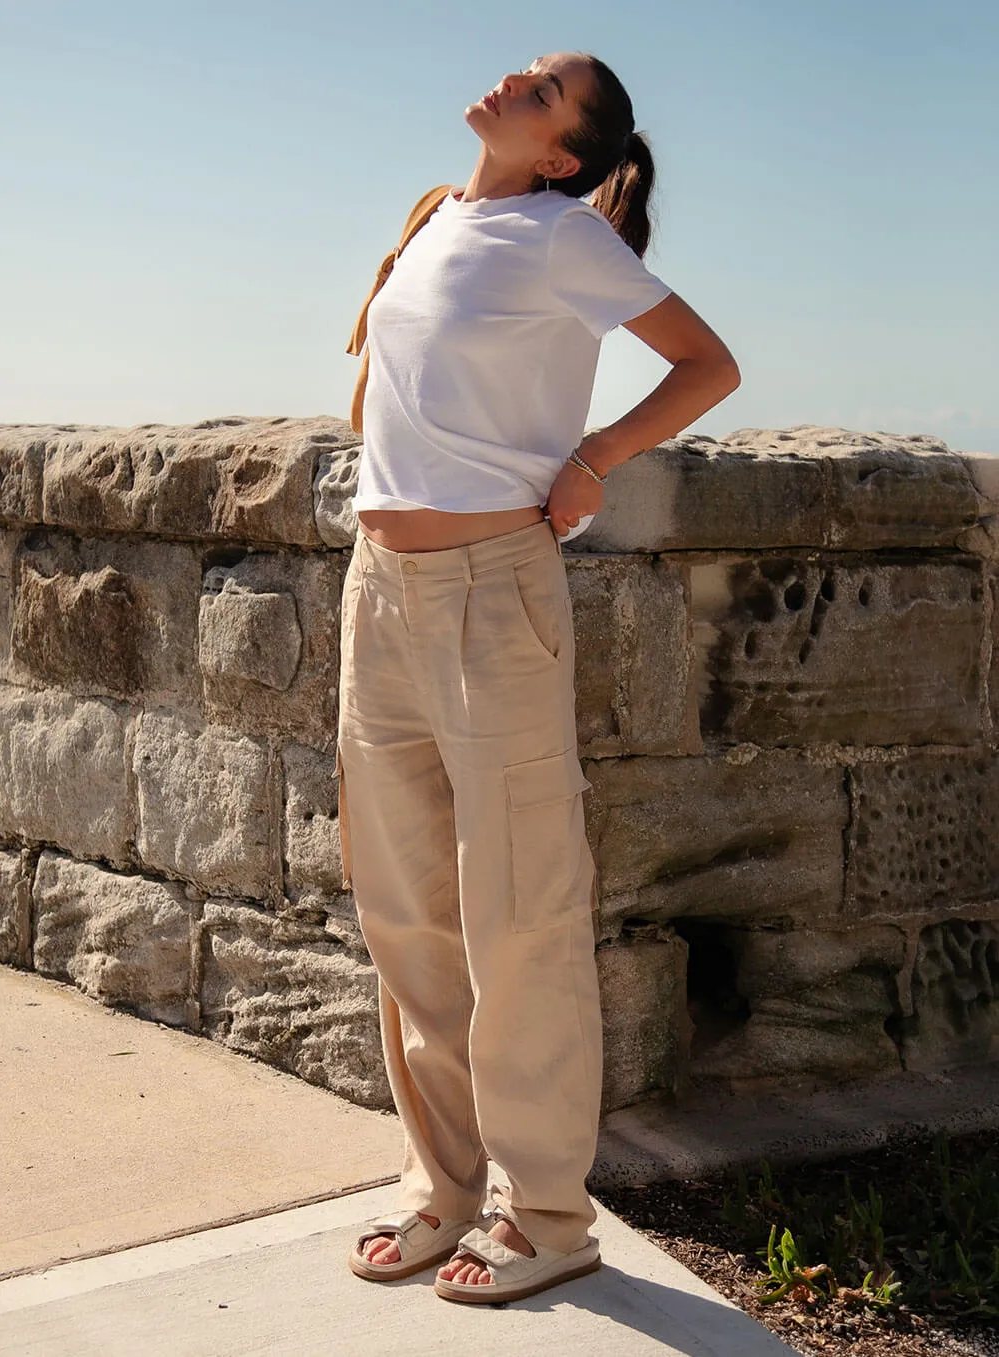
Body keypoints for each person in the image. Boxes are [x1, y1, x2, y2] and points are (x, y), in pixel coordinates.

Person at [341, 50, 740, 1304]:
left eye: (543, 90)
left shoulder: (567, 236)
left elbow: (706, 363)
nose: (513, 79)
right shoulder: (434, 217)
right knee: (405, 911)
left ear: (562, 152)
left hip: (492, 594)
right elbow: (389, 402)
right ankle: (441, 1185)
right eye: (525, 71)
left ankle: (551, 1212)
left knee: (517, 911)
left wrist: (596, 456)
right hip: (379, 589)